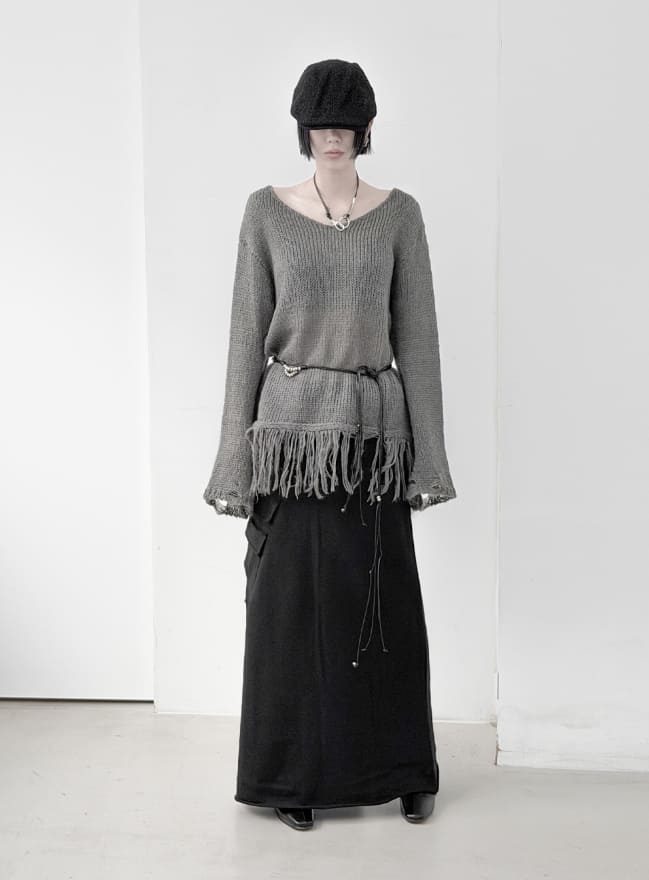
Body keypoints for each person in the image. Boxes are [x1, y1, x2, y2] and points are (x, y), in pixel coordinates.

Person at [203, 59, 457, 831]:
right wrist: (234, 465)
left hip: (374, 437)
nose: (332, 136)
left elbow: (418, 342)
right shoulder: (266, 213)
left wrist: (428, 459)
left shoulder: (399, 215)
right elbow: (245, 338)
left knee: (382, 608)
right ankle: (289, 776)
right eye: (319, 123)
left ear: (366, 128)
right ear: (302, 128)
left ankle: (402, 769)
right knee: (289, 612)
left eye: (345, 122)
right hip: (289, 441)